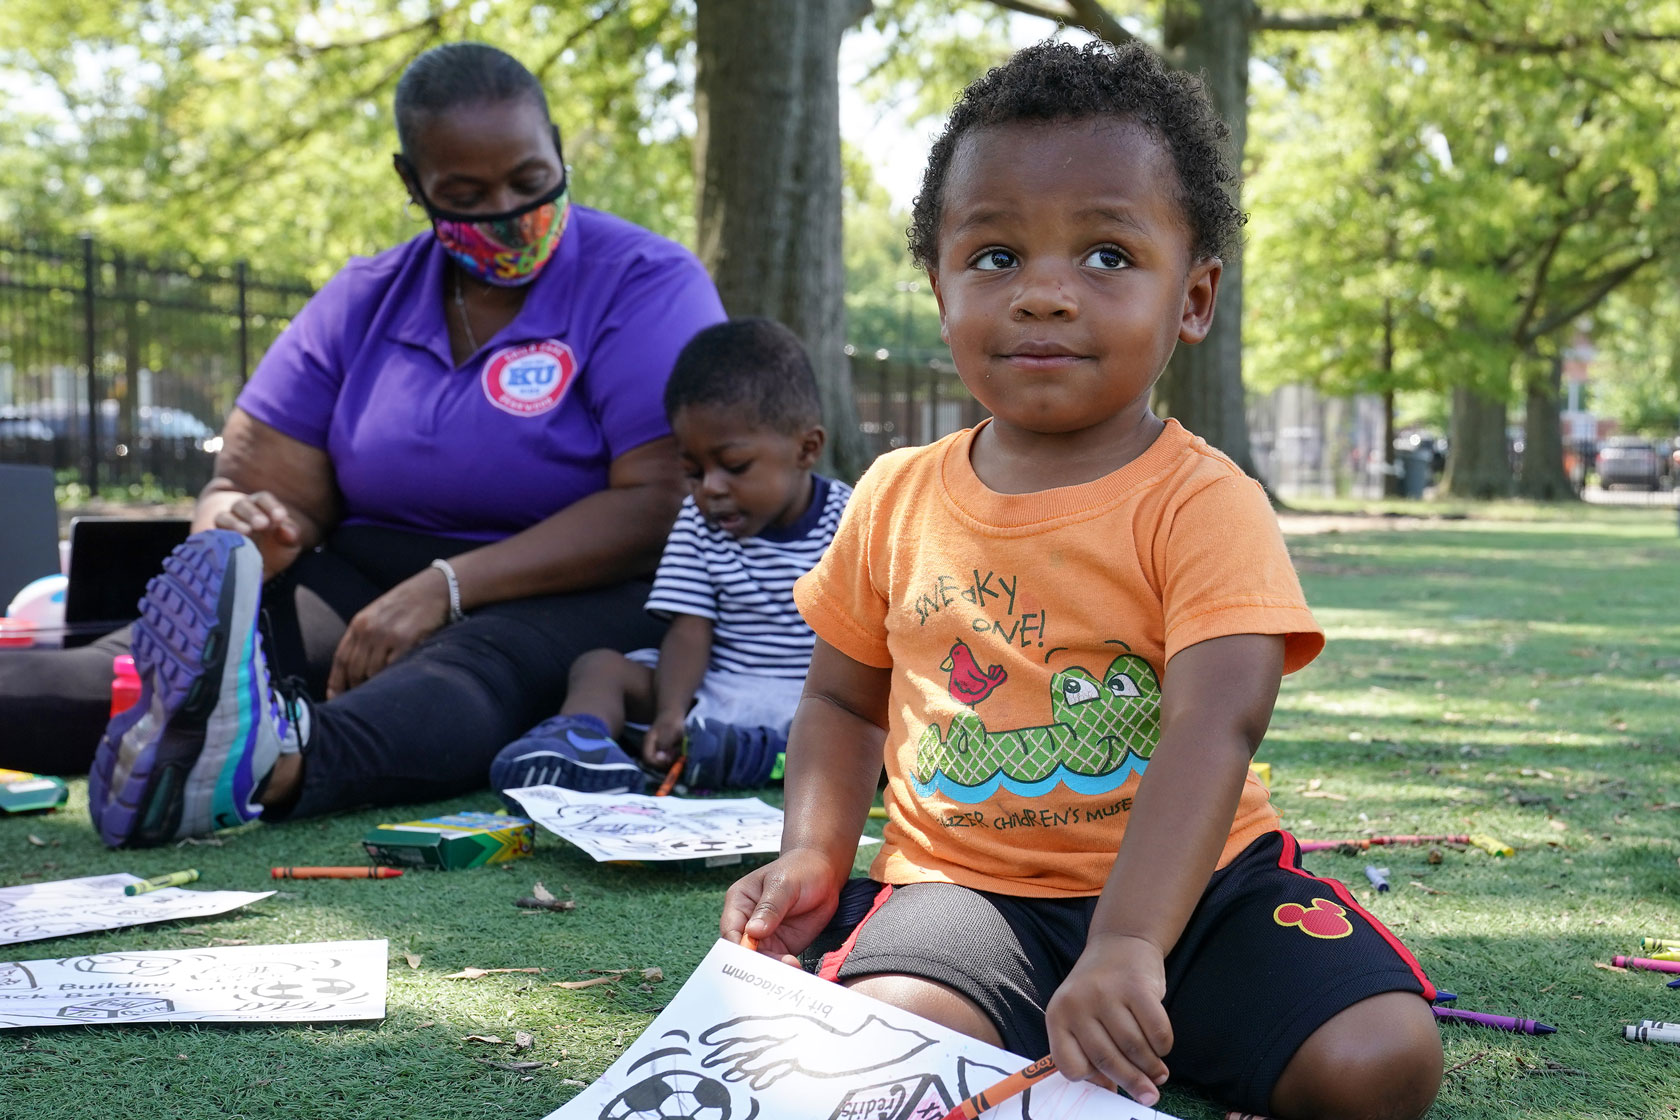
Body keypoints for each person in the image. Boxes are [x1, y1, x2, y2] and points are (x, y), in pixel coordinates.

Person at [720, 41, 1442, 1120]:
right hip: (964, 897)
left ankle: (1145, 1012)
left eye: (1107, 256)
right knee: (892, 1060)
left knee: (1380, 1059)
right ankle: (1085, 1015)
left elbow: (1214, 728)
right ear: (939, 284)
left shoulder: (1205, 501)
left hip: (1198, 897)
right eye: (998, 256)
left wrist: (1129, 944)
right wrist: (816, 854)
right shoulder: (891, 495)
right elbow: (836, 697)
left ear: (1192, 298)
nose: (1046, 295)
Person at [0, 42, 727, 847]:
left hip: (586, 589)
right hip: (370, 574)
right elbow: (244, 483)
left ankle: (263, 765)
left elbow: (662, 499)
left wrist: (447, 586)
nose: (509, 210)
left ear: (557, 146)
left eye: (529, 180)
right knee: (130, 670)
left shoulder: (647, 280)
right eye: (466, 192)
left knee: (473, 670)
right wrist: (244, 525)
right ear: (412, 183)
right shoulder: (364, 297)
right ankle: (187, 722)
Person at [489, 318, 852, 799]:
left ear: (807, 449)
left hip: (810, 703)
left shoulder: (851, 520)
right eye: (693, 471)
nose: (711, 488)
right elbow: (689, 627)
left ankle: (763, 756)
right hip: (714, 692)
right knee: (600, 667)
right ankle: (579, 745)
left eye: (734, 466)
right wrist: (670, 712)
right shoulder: (699, 520)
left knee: (873, 717)